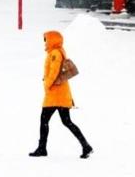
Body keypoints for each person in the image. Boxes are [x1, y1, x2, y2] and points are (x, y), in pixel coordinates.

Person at [30, 29, 92, 158]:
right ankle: (86, 146)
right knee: (66, 121)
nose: (45, 42)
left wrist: (47, 84)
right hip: (60, 93)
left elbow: (53, 72)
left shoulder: (55, 53)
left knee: (44, 120)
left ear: (52, 40)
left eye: (46, 39)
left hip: (55, 93)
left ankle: (42, 149)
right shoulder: (58, 52)